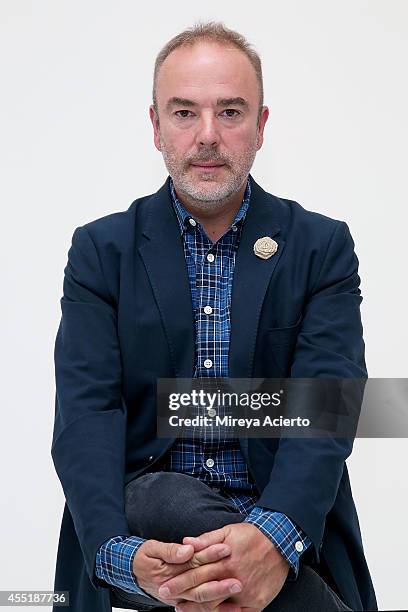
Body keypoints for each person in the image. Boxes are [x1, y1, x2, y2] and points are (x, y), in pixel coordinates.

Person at [51, 20, 378, 612]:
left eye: (230, 112)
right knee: (160, 498)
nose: (207, 135)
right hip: (147, 544)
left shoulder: (319, 247)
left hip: (283, 533)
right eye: (183, 113)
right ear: (155, 126)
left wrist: (269, 541)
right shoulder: (102, 252)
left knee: (182, 511)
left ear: (260, 127)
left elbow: (329, 404)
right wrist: (119, 554)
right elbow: (87, 414)